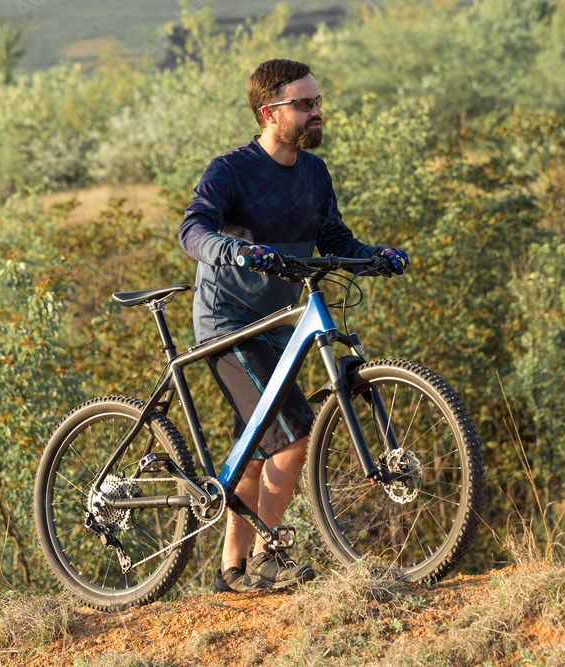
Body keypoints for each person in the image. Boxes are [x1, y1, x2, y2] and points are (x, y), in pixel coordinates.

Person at [178, 59, 409, 593]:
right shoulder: (231, 169)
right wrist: (237, 251)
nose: (316, 112)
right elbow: (193, 230)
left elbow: (336, 240)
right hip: (230, 322)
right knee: (295, 433)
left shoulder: (314, 174)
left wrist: (375, 258)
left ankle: (231, 570)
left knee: (261, 444)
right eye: (304, 104)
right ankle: (269, 558)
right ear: (269, 112)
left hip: (280, 321)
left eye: (318, 102)